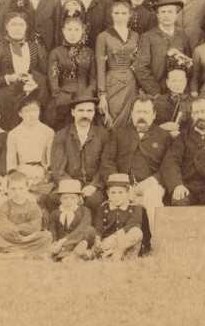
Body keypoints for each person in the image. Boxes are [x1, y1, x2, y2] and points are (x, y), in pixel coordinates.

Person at [101, 95, 182, 225]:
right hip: (123, 185)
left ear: (154, 114)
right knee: (120, 197)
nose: (141, 116)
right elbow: (107, 162)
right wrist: (121, 183)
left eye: (146, 112)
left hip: (152, 185)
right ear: (132, 113)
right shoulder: (119, 133)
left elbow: (169, 165)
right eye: (138, 111)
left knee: (152, 196)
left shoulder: (163, 136)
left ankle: (158, 240)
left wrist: (153, 180)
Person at [0, 12, 48, 130]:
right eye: (13, 24)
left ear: (26, 27)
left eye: (21, 25)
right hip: (8, 97)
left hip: (32, 92)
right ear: (6, 27)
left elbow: (45, 76)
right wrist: (9, 78)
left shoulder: (37, 49)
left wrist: (33, 79)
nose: (17, 28)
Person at [49, 93, 110, 210]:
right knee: (53, 199)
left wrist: (94, 185)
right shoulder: (61, 135)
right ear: (73, 112)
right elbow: (57, 169)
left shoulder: (103, 135)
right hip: (68, 184)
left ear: (93, 113)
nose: (85, 115)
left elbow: (105, 165)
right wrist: (73, 190)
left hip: (93, 185)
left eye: (89, 111)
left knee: (94, 201)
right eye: (81, 111)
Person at [95, 0, 142, 131]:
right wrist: (102, 95)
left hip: (131, 83)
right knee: (111, 122)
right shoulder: (103, 36)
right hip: (112, 84)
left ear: (130, 15)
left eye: (123, 13)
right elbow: (100, 67)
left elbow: (137, 61)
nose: (120, 16)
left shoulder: (136, 36)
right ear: (112, 15)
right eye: (117, 13)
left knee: (129, 122)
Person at [0, 168, 52, 258]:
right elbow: (1, 221)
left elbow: (35, 225)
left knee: (47, 236)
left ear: (27, 188)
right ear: (8, 189)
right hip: (8, 237)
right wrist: (14, 233)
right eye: (13, 189)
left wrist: (22, 235)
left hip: (27, 238)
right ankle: (23, 253)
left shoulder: (32, 206)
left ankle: (8, 254)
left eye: (20, 188)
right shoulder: (6, 205)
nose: (17, 192)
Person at [137, 0, 192, 99]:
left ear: (176, 14)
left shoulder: (182, 36)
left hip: (179, 91)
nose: (166, 15)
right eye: (163, 12)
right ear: (157, 15)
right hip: (156, 93)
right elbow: (141, 69)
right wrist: (156, 93)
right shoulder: (147, 37)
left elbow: (189, 65)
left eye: (170, 11)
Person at [46, 12, 96, 127]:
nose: (72, 34)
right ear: (63, 31)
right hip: (62, 98)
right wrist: (59, 95)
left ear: (82, 31)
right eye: (69, 30)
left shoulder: (89, 52)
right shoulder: (56, 53)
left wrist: (88, 94)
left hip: (85, 97)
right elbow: (52, 79)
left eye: (76, 30)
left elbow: (93, 78)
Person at [92, 173, 147, 259]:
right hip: (109, 242)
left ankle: (118, 253)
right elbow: (98, 228)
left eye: (121, 192)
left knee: (136, 232)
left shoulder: (135, 207)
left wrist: (116, 237)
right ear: (108, 193)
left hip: (127, 243)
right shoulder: (103, 208)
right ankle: (109, 255)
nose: (117, 196)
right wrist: (98, 240)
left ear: (128, 193)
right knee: (103, 245)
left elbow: (133, 223)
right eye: (113, 192)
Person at [47, 178, 98, 261]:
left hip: (77, 239)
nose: (68, 201)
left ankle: (66, 253)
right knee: (47, 236)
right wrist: (55, 241)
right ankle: (74, 255)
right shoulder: (55, 213)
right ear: (60, 199)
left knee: (90, 230)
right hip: (61, 242)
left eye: (72, 198)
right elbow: (52, 230)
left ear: (78, 199)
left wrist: (64, 241)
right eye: (65, 198)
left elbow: (82, 227)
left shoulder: (84, 211)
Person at [5, 94, 55, 176]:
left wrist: (48, 174)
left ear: (39, 111)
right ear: (20, 114)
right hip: (21, 172)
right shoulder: (13, 134)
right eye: (27, 111)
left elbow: (50, 160)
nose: (32, 115)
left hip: (42, 173)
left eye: (35, 110)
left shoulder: (48, 131)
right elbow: (11, 163)